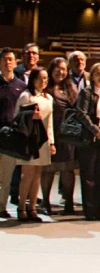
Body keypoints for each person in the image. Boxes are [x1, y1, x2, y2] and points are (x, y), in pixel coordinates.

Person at [75, 63, 100, 221]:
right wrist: (95, 131)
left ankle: (98, 209)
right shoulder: (86, 93)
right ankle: (89, 210)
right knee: (88, 175)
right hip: (90, 138)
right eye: (98, 74)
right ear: (92, 76)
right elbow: (81, 114)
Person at [15, 68, 55, 222]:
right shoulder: (26, 97)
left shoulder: (48, 98)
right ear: (33, 79)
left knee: (37, 174)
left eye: (46, 78)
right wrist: (31, 116)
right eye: (40, 78)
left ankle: (32, 207)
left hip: (42, 140)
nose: (43, 81)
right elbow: (16, 118)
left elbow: (49, 123)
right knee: (27, 175)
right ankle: (21, 207)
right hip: (29, 140)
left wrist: (51, 142)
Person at [40, 57, 77, 216]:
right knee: (48, 170)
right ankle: (46, 202)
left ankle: (68, 202)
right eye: (58, 69)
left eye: (64, 69)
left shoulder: (70, 88)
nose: (61, 72)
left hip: (67, 135)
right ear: (51, 70)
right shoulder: (44, 88)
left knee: (67, 170)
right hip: (49, 133)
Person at [0, 48, 26, 219]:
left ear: (15, 62)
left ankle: (1, 206)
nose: (7, 62)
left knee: (6, 175)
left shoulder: (21, 86)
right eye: (4, 59)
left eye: (10, 59)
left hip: (10, 137)